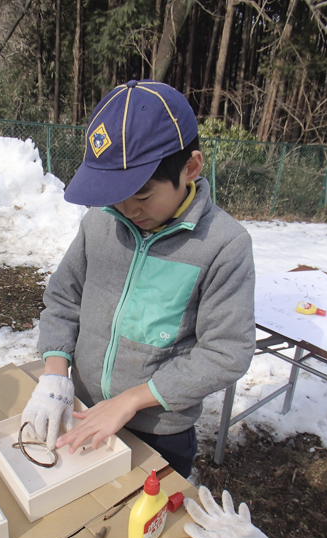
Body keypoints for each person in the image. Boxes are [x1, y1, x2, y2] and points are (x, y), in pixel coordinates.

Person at [22, 79, 256, 477]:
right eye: (115, 193)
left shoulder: (224, 245)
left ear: (191, 168)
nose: (127, 209)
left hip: (159, 430)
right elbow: (63, 298)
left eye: (143, 194)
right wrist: (55, 374)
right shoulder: (100, 223)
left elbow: (226, 351)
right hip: (80, 407)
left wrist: (132, 399)